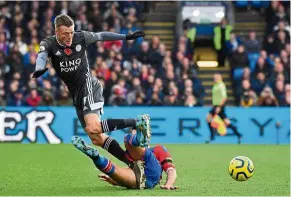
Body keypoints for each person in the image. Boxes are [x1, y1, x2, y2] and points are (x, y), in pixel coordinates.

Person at [32, 14, 148, 166]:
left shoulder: (81, 37)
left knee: (93, 127)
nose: (69, 36)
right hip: (76, 94)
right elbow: (41, 56)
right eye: (65, 33)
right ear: (56, 31)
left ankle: (136, 122)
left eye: (71, 32)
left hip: (88, 85)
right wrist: (39, 68)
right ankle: (131, 164)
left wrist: (126, 36)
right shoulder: (49, 43)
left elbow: (101, 36)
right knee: (96, 138)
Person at [71, 125, 178, 190]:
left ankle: (136, 138)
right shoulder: (129, 155)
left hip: (152, 173)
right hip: (143, 182)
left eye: (136, 133)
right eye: (135, 133)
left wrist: (168, 184)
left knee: (127, 138)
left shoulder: (158, 149)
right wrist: (115, 180)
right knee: (113, 171)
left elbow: (171, 170)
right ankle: (95, 157)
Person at [206, 73, 242, 144]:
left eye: (216, 77)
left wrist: (219, 107)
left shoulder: (221, 85)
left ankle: (212, 135)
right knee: (225, 122)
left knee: (209, 118)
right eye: (214, 77)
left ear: (220, 78)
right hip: (216, 106)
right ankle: (239, 135)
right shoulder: (215, 85)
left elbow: (224, 97)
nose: (215, 78)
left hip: (219, 106)